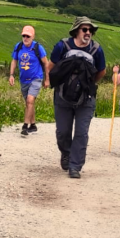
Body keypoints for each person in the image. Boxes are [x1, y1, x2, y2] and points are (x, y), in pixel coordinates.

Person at [47, 16, 106, 179]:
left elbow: (102, 71)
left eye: (91, 30)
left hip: (86, 98)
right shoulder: (63, 46)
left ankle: (75, 166)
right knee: (63, 131)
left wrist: (87, 84)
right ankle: (66, 153)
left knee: (81, 132)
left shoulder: (96, 49)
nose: (88, 33)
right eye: (85, 29)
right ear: (76, 31)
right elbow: (50, 66)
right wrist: (48, 81)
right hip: (62, 96)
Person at [9, 25, 50, 136]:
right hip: (23, 80)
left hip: (36, 78)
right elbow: (14, 61)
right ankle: (33, 125)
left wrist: (47, 79)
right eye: (24, 36)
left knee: (30, 100)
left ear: (32, 37)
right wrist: (11, 75)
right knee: (29, 103)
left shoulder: (38, 48)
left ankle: (25, 126)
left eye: (28, 36)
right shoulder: (18, 46)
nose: (25, 38)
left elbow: (46, 63)